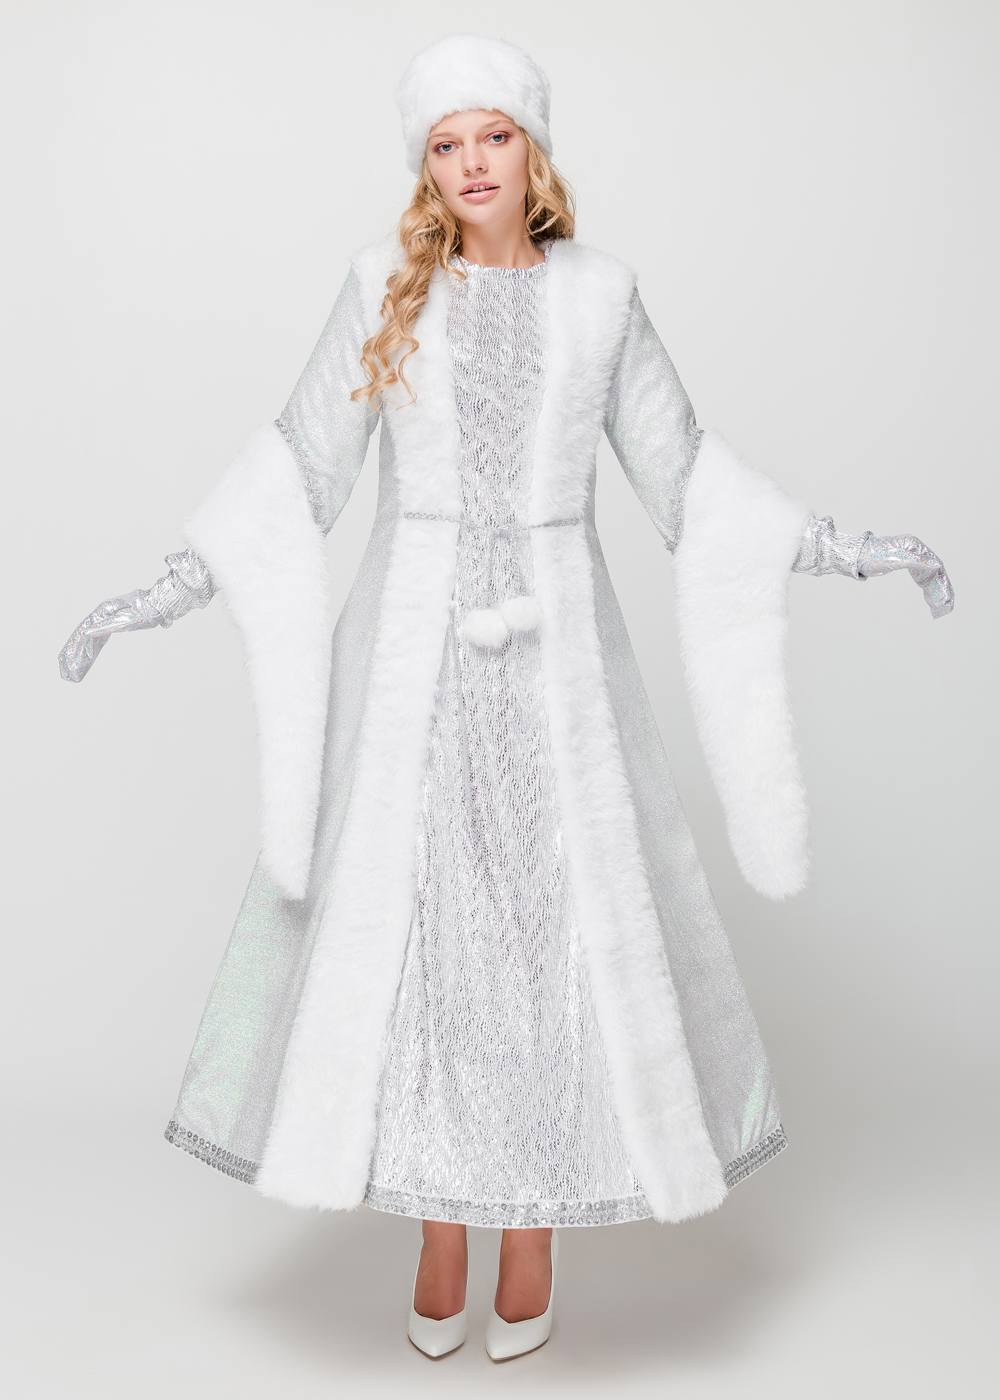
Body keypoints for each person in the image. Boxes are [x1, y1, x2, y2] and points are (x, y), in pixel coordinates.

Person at [58, 34, 953, 1362]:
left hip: (559, 671)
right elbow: (301, 463)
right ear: (423, 165)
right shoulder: (382, 287)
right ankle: (438, 1230)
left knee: (547, 945)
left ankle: (528, 1232)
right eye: (446, 143)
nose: (472, 163)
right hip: (411, 664)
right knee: (423, 940)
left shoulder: (603, 298)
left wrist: (841, 547)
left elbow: (686, 475)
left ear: (534, 150)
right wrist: (170, 587)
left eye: (494, 136)